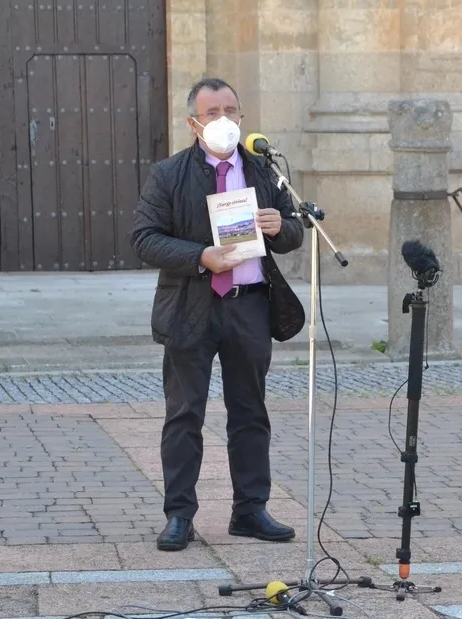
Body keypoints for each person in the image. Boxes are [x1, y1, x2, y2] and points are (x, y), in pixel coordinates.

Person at [130, 77, 304, 551]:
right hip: (192, 307)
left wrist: (280, 226)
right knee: (184, 414)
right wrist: (200, 256)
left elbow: (294, 233)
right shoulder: (168, 174)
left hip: (248, 306)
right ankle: (180, 516)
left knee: (250, 413)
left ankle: (250, 510)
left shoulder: (264, 171)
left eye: (232, 109)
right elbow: (144, 238)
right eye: (213, 112)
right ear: (193, 123)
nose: (224, 118)